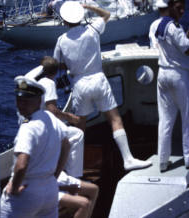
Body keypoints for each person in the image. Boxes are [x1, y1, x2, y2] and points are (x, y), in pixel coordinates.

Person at [53, 1, 152, 171]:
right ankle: (128, 159)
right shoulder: (92, 30)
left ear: (64, 20)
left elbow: (57, 64)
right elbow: (106, 15)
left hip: (80, 84)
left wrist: (73, 65)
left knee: (80, 127)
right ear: (80, 16)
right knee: (114, 119)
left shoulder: (61, 40)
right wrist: (89, 7)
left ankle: (73, 169)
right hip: (98, 80)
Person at [25, 56, 99, 218]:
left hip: (39, 128)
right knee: (77, 134)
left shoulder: (32, 79)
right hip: (46, 129)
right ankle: (74, 178)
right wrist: (71, 118)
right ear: (56, 72)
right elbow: (52, 111)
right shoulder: (49, 83)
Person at [0, 75, 70, 218]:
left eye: (26, 100)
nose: (21, 104)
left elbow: (21, 165)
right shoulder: (51, 118)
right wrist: (54, 175)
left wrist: (13, 187)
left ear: (39, 100)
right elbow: (67, 144)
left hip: (26, 190)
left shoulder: (28, 127)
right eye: (19, 99)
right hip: (49, 189)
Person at [154, 0, 189, 171]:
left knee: (166, 120)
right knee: (187, 118)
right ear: (170, 6)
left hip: (163, 74)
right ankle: (188, 158)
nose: (182, 10)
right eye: (179, 7)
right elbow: (186, 49)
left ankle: (162, 161)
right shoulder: (174, 27)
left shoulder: (159, 25)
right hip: (179, 75)